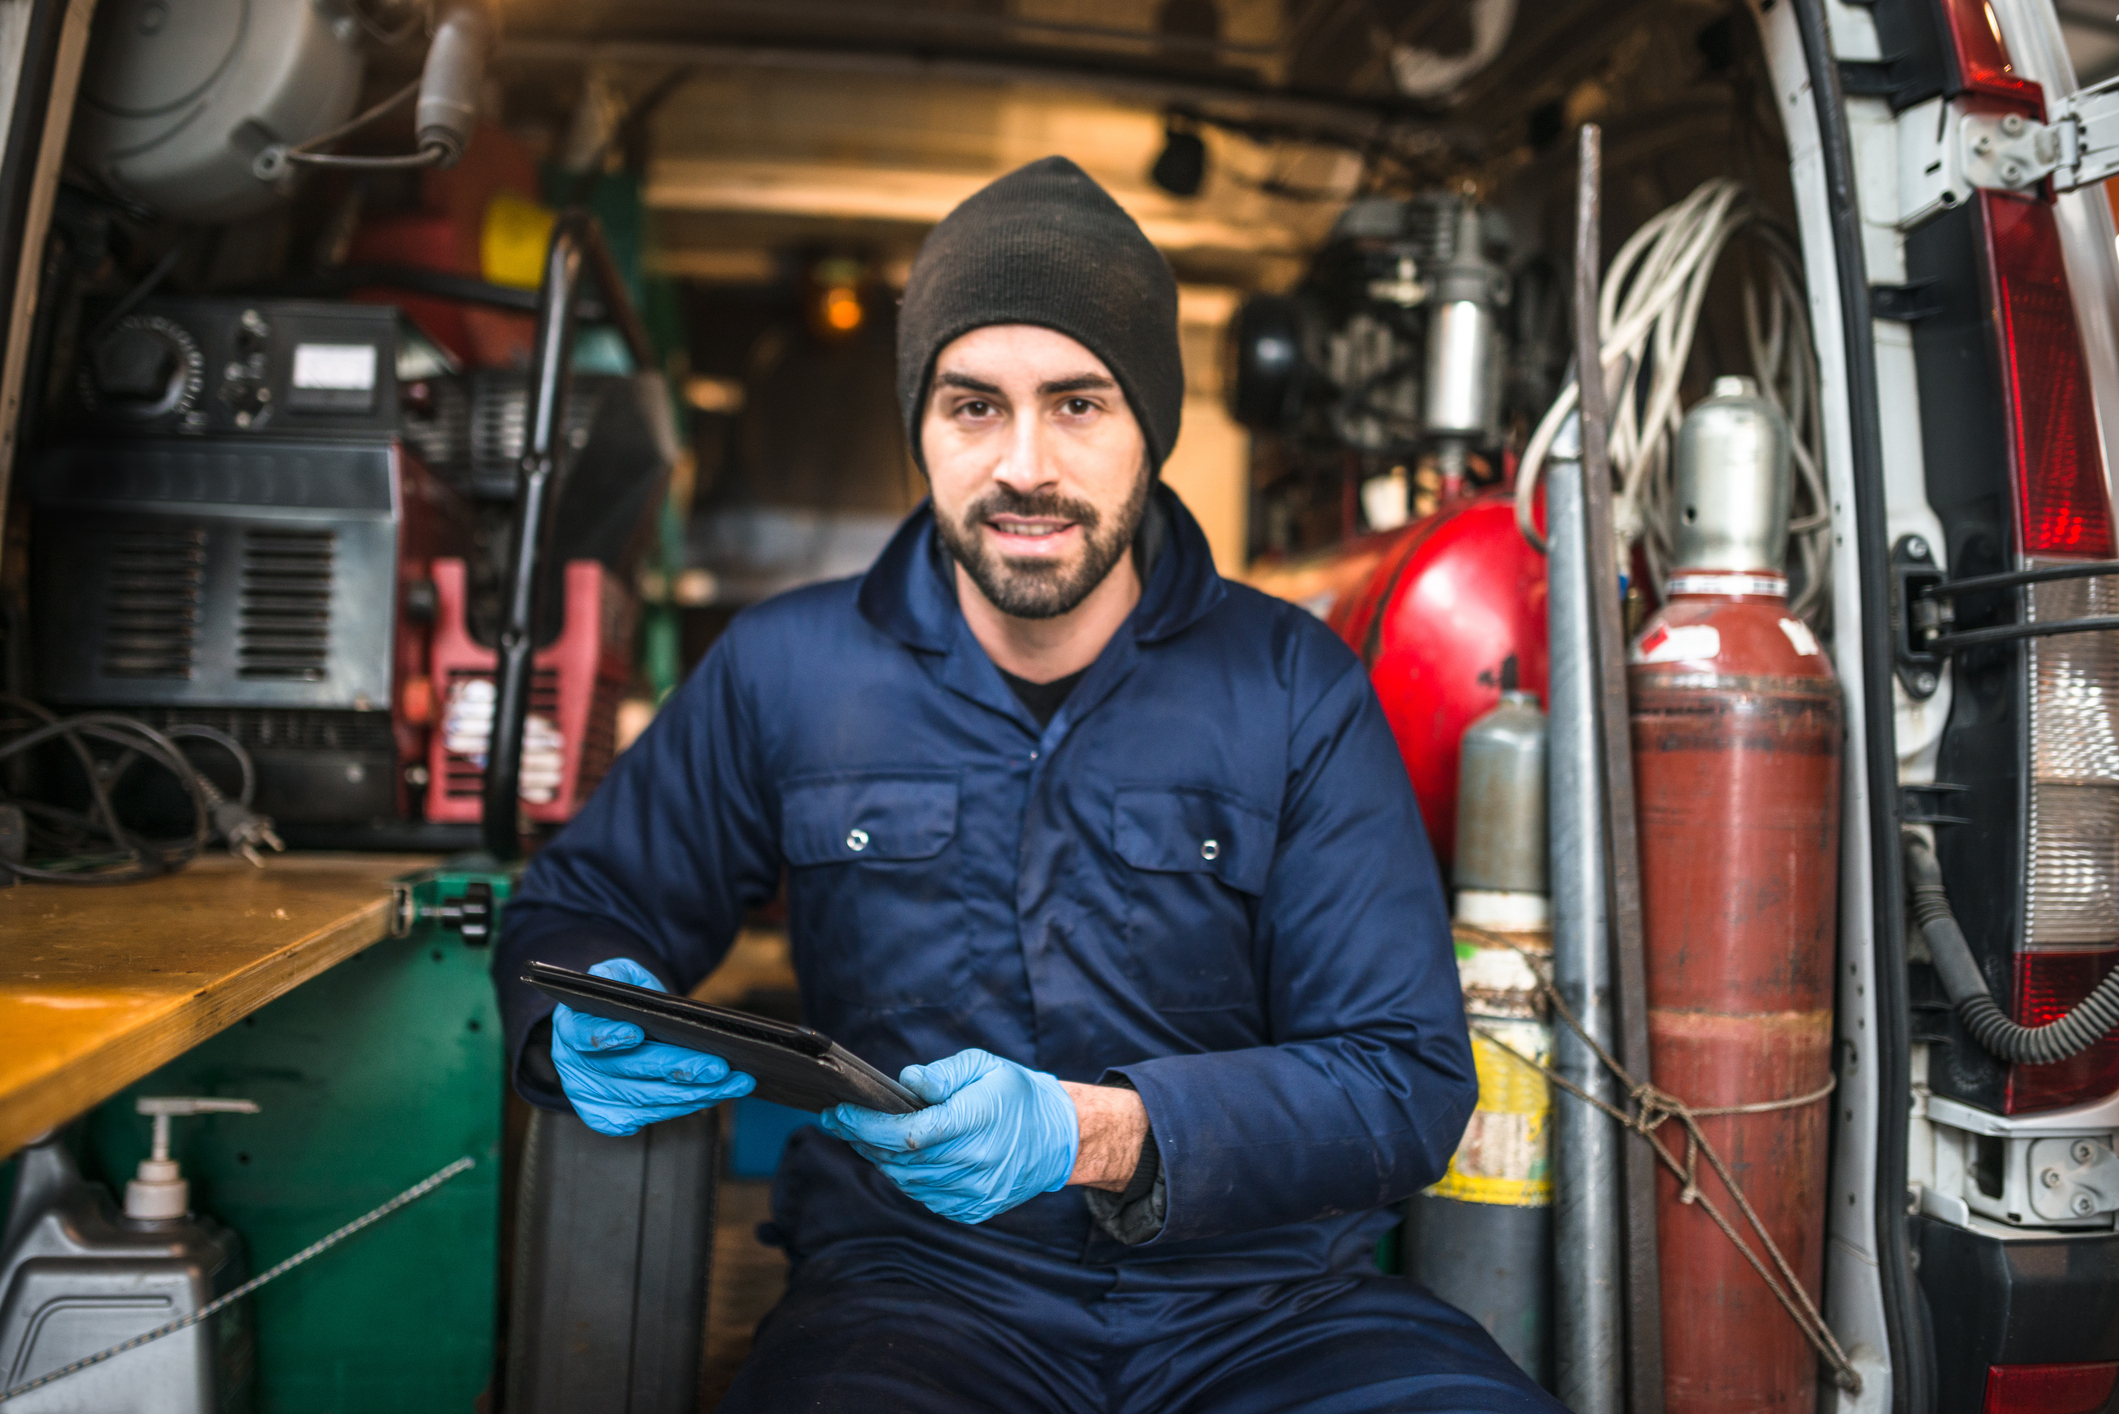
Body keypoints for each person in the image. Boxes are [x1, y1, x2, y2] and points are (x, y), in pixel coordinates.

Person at [494, 155, 1561, 1412]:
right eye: (973, 406)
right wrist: (575, 1026)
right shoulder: (787, 669)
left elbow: (1406, 1076)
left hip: (1272, 1312)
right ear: (923, 427)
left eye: (1077, 403)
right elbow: (577, 906)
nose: (1025, 466)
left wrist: (1101, 1133)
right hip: (912, 1302)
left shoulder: (1294, 687)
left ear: (1149, 426)